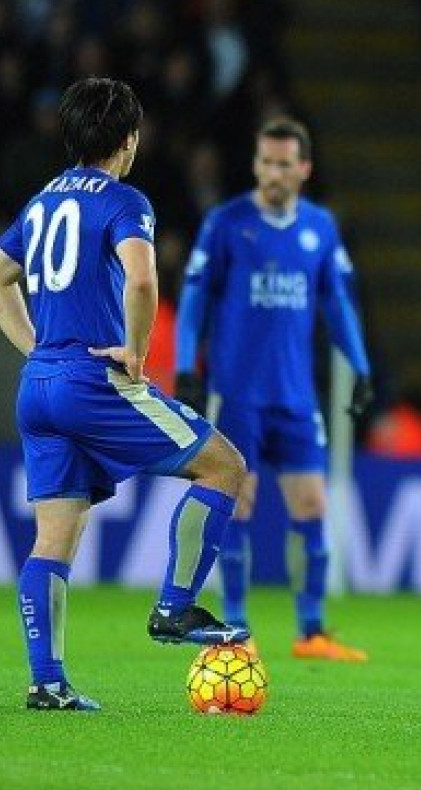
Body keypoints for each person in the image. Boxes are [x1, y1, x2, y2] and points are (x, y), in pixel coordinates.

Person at [0, 77, 249, 712]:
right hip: (93, 380)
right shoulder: (125, 199)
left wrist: (37, 346)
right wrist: (135, 350)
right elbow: (143, 279)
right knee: (224, 466)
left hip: (39, 385)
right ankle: (174, 610)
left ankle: (48, 682)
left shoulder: (40, 201)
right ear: (129, 139)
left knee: (53, 538)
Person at [174, 118, 374, 662]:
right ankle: (236, 631)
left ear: (304, 169)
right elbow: (194, 300)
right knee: (239, 502)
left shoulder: (319, 228)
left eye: (284, 164)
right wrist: (185, 366)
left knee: (311, 504)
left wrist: (360, 368)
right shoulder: (226, 223)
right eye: (265, 162)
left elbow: (336, 304)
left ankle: (311, 631)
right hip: (237, 393)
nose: (273, 173)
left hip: (295, 397)